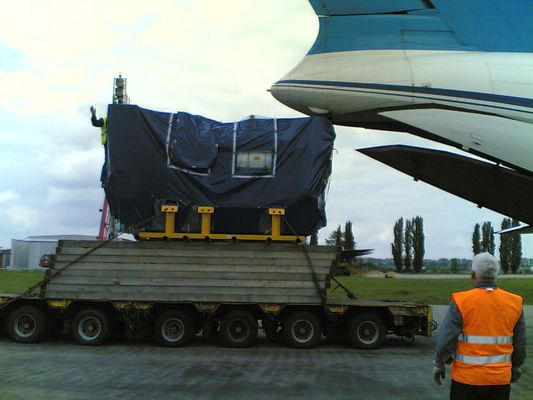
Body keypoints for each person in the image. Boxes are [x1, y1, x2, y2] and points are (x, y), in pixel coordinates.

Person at [433, 252, 526, 400]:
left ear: (472, 275)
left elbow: (447, 338)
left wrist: (439, 363)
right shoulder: (514, 302)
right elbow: (520, 342)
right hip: (499, 381)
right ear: (497, 275)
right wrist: (516, 366)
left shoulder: (461, 301)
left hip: (466, 380)